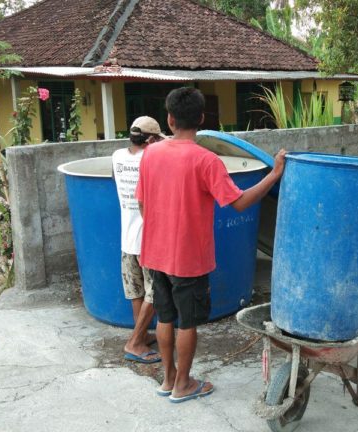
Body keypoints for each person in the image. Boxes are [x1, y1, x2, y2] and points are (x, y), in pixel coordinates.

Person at [135, 87, 286, 403]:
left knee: (164, 317)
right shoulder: (207, 160)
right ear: (202, 119)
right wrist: (273, 176)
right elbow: (240, 203)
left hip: (154, 253)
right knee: (187, 322)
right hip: (187, 258)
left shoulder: (150, 153)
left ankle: (168, 379)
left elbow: (142, 205)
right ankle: (183, 385)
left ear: (170, 118)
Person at [112, 116, 166, 364]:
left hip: (127, 237)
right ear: (152, 140)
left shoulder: (116, 157)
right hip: (148, 239)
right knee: (154, 292)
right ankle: (135, 343)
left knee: (136, 291)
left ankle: (141, 335)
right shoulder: (152, 159)